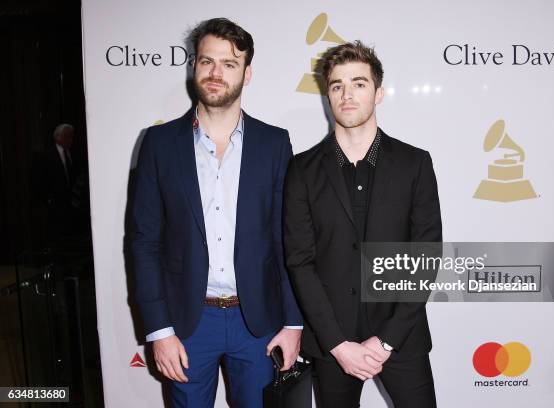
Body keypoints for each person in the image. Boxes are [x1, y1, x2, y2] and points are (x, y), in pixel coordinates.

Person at [131, 18, 302, 408]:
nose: (215, 73)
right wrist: (158, 330)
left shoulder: (274, 143)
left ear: (247, 73)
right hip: (188, 324)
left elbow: (286, 239)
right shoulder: (158, 143)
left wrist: (293, 323)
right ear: (194, 66)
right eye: (207, 61)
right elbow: (144, 242)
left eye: (229, 63)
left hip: (258, 323)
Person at [283, 41, 442, 407]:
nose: (347, 94)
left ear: (379, 93)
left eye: (359, 83)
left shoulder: (414, 163)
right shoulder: (302, 170)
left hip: (401, 336)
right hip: (332, 344)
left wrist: (386, 340)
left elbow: (426, 255)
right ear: (327, 96)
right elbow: (300, 262)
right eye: (337, 85)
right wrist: (337, 344)